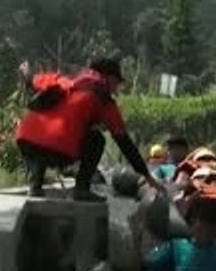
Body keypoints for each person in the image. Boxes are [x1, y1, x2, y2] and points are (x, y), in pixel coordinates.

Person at [15, 57, 165, 202]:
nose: (116, 88)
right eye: (116, 83)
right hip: (57, 149)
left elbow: (31, 80)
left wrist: (26, 71)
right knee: (96, 139)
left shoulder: (63, 82)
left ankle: (35, 185)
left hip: (25, 141)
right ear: (109, 78)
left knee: (42, 139)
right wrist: (148, 177)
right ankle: (82, 189)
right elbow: (125, 143)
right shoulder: (103, 99)